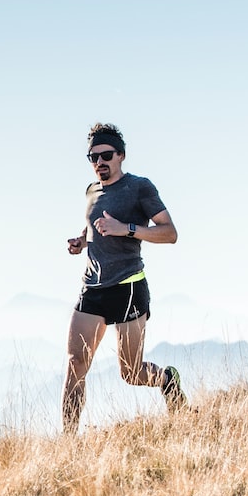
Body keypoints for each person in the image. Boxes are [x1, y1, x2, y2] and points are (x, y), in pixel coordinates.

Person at [63, 122, 185, 432]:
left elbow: (169, 233)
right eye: (93, 157)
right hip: (92, 287)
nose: (99, 163)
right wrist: (82, 241)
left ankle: (167, 379)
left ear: (121, 156)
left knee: (131, 372)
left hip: (128, 286)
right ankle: (67, 443)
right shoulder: (91, 191)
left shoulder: (139, 187)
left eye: (106, 155)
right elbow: (95, 226)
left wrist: (127, 229)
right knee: (76, 363)